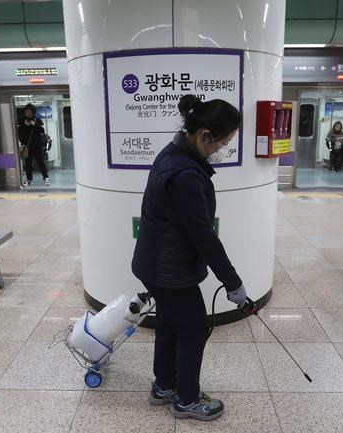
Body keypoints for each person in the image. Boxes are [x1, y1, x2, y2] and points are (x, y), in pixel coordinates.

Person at [131, 94, 246, 422]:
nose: (221, 149)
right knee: (194, 328)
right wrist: (232, 282)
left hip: (155, 263)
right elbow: (203, 236)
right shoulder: (186, 175)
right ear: (204, 135)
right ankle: (186, 400)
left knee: (170, 323)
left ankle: (164, 386)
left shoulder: (174, 154)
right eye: (222, 142)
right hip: (169, 269)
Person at [17, 103, 50, 187]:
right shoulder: (21, 120)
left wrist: (34, 125)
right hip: (26, 146)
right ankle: (29, 179)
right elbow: (18, 132)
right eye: (26, 111)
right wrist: (24, 125)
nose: (28, 113)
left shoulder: (37, 120)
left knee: (40, 162)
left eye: (30, 111)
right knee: (28, 163)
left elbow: (42, 131)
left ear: (33, 112)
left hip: (37, 145)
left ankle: (46, 178)